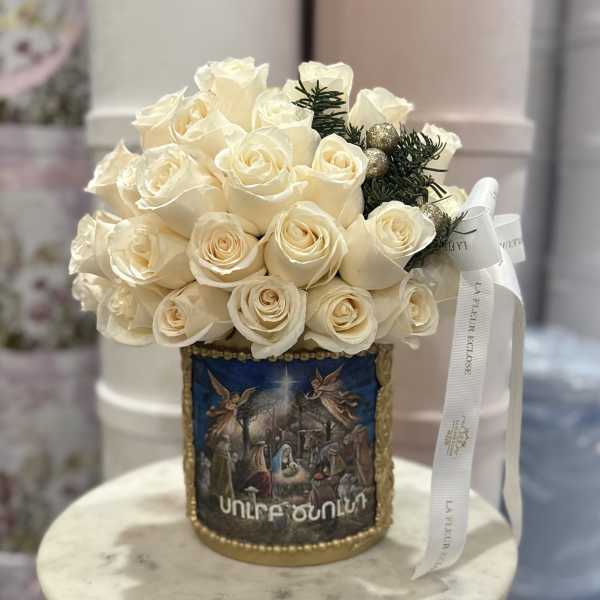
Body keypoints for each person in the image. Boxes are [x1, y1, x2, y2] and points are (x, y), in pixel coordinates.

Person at [209, 435, 235, 500]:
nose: (228, 444)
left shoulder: (223, 451)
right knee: (222, 485)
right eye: (227, 442)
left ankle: (224, 497)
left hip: (225, 473)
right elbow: (216, 463)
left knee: (225, 485)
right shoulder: (220, 451)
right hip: (222, 473)